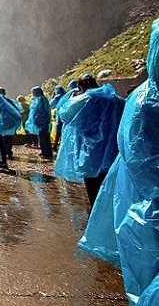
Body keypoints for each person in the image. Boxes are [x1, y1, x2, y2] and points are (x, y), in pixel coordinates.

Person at [79, 15, 159, 306]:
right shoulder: (143, 101)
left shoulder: (139, 98)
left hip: (113, 167)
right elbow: (145, 161)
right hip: (153, 199)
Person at [54, 74, 125, 209]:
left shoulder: (85, 100)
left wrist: (72, 97)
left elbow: (64, 113)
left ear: (80, 87)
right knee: (112, 192)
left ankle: (95, 221)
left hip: (90, 155)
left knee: (93, 192)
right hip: (113, 153)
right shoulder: (116, 100)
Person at [26, 87, 53, 159]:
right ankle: (46, 151)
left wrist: (36, 119)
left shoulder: (39, 99)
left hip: (41, 121)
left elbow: (36, 110)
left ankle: (45, 152)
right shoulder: (43, 98)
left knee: (42, 137)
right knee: (44, 137)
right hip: (43, 121)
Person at [0, 87, 21, 158]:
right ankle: (8, 152)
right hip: (10, 122)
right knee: (9, 138)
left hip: (1, 122)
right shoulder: (10, 101)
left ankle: (2, 152)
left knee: (1, 138)